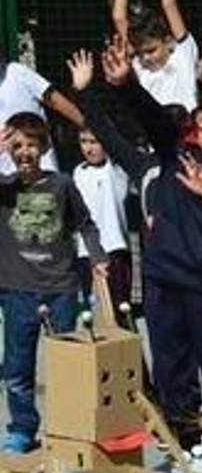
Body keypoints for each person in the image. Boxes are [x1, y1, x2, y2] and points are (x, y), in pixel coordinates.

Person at [85, 39, 202, 444]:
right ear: (201, 119)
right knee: (171, 361)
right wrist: (125, 83)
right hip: (164, 275)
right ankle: (183, 433)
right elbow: (151, 116)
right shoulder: (174, 148)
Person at [0, 112, 106, 452]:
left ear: (44, 147)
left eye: (32, 145)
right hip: (17, 290)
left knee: (66, 364)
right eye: (17, 146)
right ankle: (22, 428)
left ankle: (67, 426)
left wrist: (97, 256)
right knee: (18, 368)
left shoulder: (62, 184)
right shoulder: (5, 188)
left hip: (60, 288)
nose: (25, 152)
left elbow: (85, 223)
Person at [65, 52, 133, 320]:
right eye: (84, 142)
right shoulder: (77, 172)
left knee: (119, 313)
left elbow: (109, 132)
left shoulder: (116, 169)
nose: (89, 147)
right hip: (86, 253)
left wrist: (85, 90)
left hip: (114, 250)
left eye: (94, 141)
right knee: (92, 313)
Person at [112, 0, 199, 110]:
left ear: (168, 41)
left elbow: (170, 6)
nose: (145, 57)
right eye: (140, 53)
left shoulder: (183, 55)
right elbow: (119, 19)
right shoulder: (140, 68)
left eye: (151, 50)